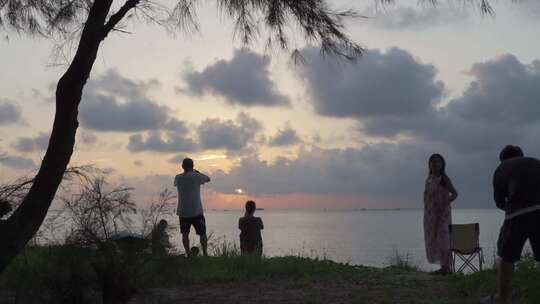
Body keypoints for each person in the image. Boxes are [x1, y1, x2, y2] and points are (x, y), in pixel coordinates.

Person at [481, 145, 540, 304]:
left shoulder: (501, 168)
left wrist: (512, 207)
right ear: (521, 155)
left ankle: (502, 299)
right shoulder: (536, 162)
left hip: (517, 214)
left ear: (502, 160)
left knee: (507, 256)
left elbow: (500, 202)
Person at [423, 153, 458, 275]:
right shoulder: (429, 179)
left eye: (438, 162)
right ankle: (443, 268)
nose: (435, 164)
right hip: (430, 215)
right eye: (433, 162)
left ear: (442, 164)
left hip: (443, 214)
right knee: (434, 240)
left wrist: (445, 203)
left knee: (444, 241)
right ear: (429, 165)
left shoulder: (444, 178)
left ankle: (447, 268)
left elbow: (454, 194)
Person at [174, 157, 211, 256]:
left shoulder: (177, 177)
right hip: (196, 211)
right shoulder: (196, 176)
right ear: (193, 166)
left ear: (182, 166)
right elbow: (208, 179)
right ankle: (205, 253)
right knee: (202, 233)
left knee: (185, 234)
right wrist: (198, 172)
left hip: (183, 211)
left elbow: (175, 184)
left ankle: (188, 254)